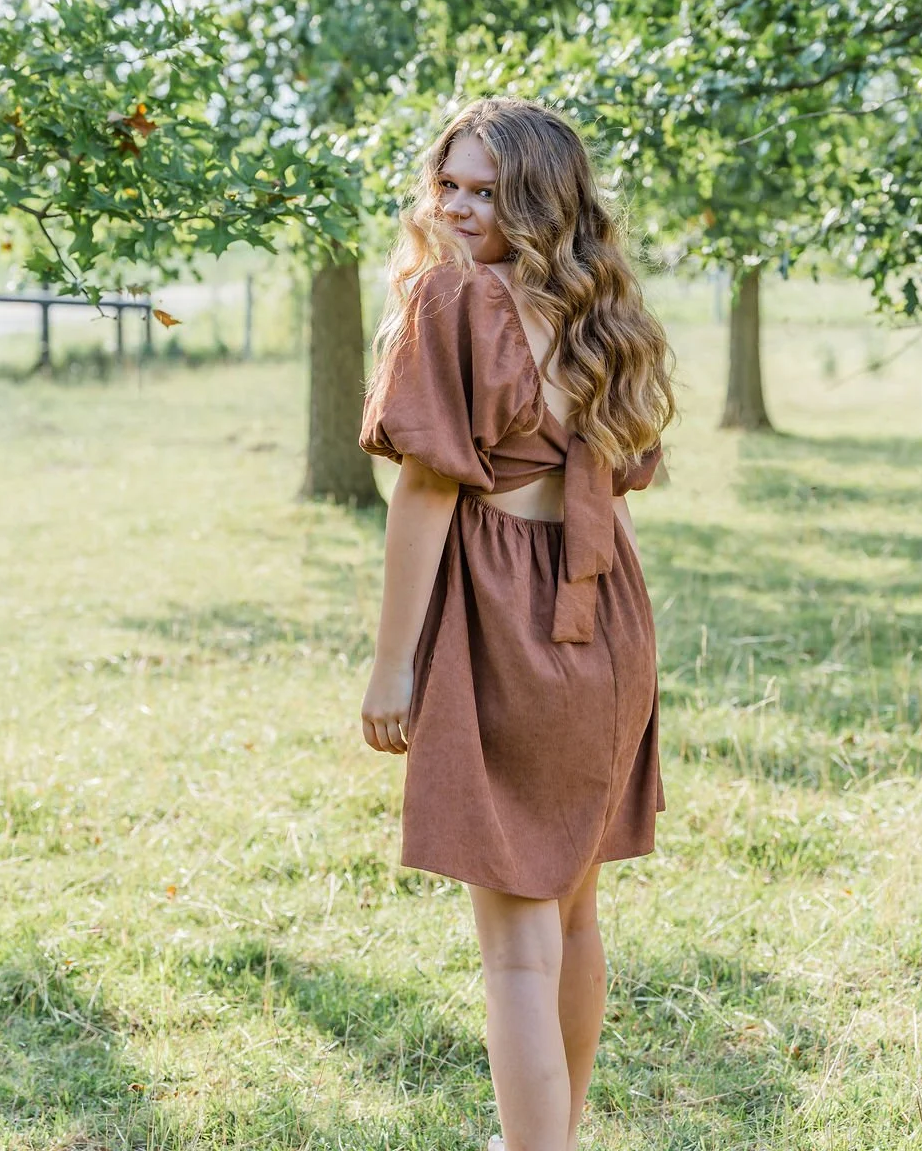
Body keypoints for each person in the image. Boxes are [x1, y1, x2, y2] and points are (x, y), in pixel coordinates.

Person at [357, 96, 675, 1151]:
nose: (454, 206)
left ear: (536, 200)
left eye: (484, 192)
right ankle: (552, 1134)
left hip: (509, 620)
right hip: (608, 621)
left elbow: (426, 495)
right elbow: (617, 481)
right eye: (446, 183)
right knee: (573, 916)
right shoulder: (599, 313)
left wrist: (392, 667)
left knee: (518, 951)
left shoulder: (452, 303)